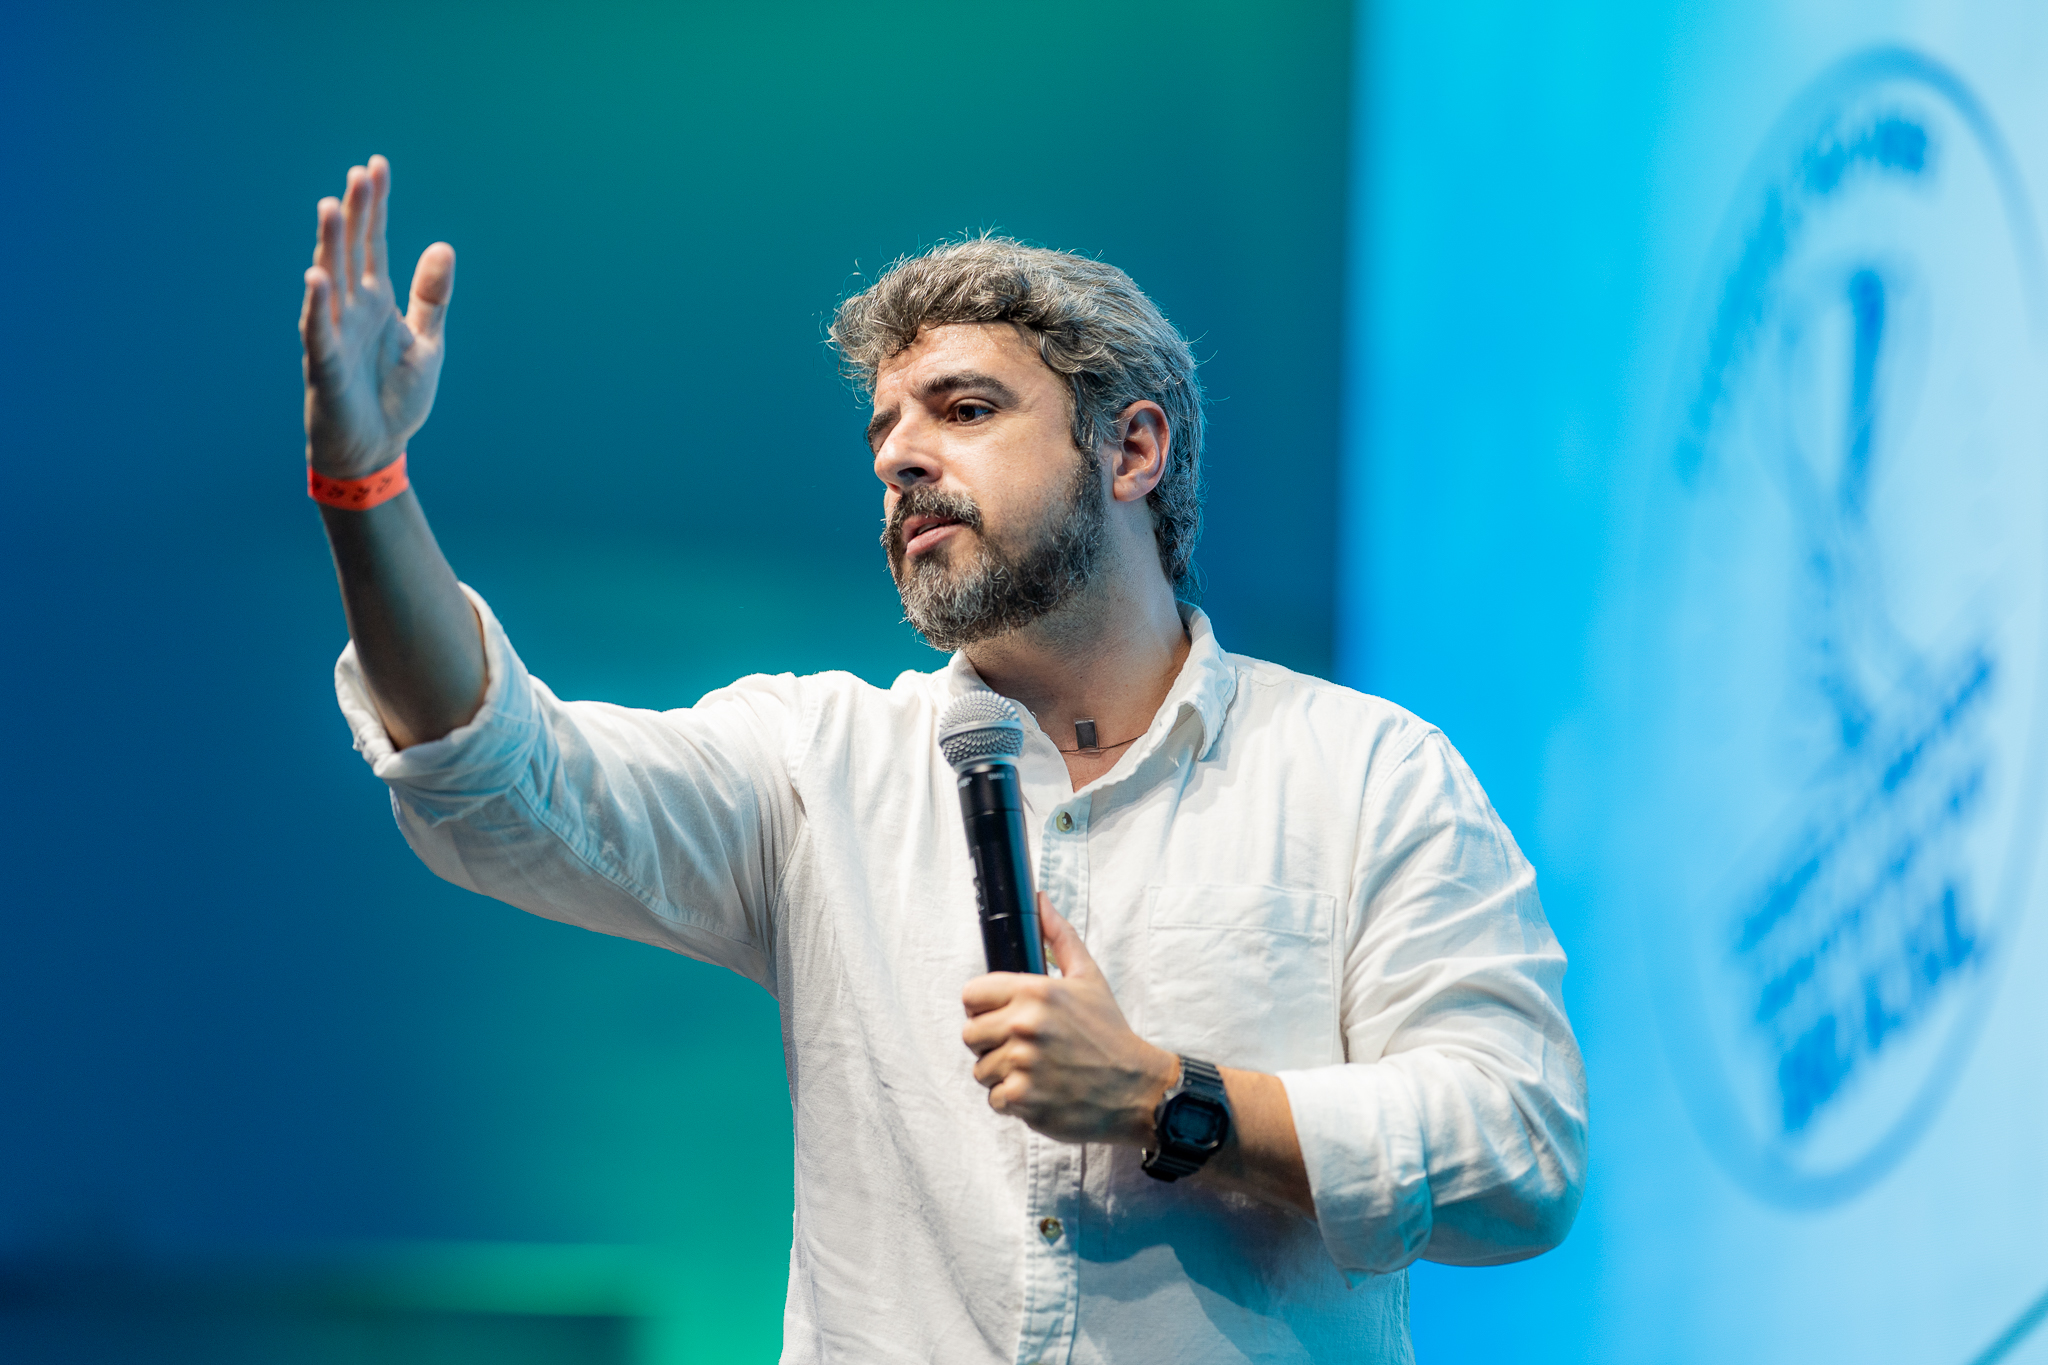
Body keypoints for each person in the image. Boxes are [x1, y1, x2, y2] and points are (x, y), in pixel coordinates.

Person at [299, 155, 1586, 1364]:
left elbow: (1515, 1150)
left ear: (1131, 450)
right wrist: (366, 487)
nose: (900, 456)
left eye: (965, 410)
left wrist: (1166, 1099)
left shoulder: (1365, 772)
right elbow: (498, 771)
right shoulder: (814, 765)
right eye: (883, 433)